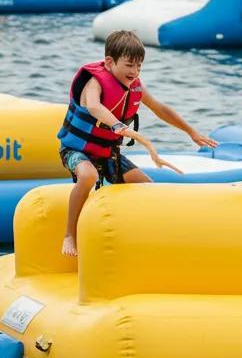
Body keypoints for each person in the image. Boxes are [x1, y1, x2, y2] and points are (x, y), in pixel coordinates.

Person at [56, 29, 218, 257]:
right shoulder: (94, 83)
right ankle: (69, 235)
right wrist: (116, 125)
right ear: (110, 62)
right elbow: (93, 106)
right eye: (129, 65)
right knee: (88, 176)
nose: (135, 71)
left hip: (107, 153)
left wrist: (190, 131)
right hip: (76, 150)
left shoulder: (134, 87)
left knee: (146, 186)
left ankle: (146, 239)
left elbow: (161, 109)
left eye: (139, 66)